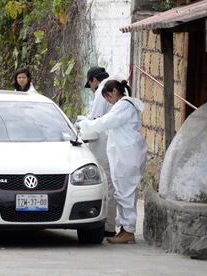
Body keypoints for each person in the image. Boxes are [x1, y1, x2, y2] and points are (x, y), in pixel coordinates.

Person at [77, 80, 147, 244]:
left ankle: (128, 230)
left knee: (126, 192)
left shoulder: (124, 106)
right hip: (125, 154)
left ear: (114, 91)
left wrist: (86, 124)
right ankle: (124, 229)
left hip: (127, 155)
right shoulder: (124, 105)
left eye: (108, 97)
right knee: (122, 191)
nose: (108, 101)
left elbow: (105, 122)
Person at [79, 66, 117, 237]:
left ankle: (108, 226)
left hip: (104, 144)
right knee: (113, 183)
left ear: (93, 80)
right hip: (114, 143)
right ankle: (111, 225)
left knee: (107, 183)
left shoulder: (102, 91)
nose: (92, 87)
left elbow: (94, 121)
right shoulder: (113, 86)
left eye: (90, 84)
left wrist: (82, 123)